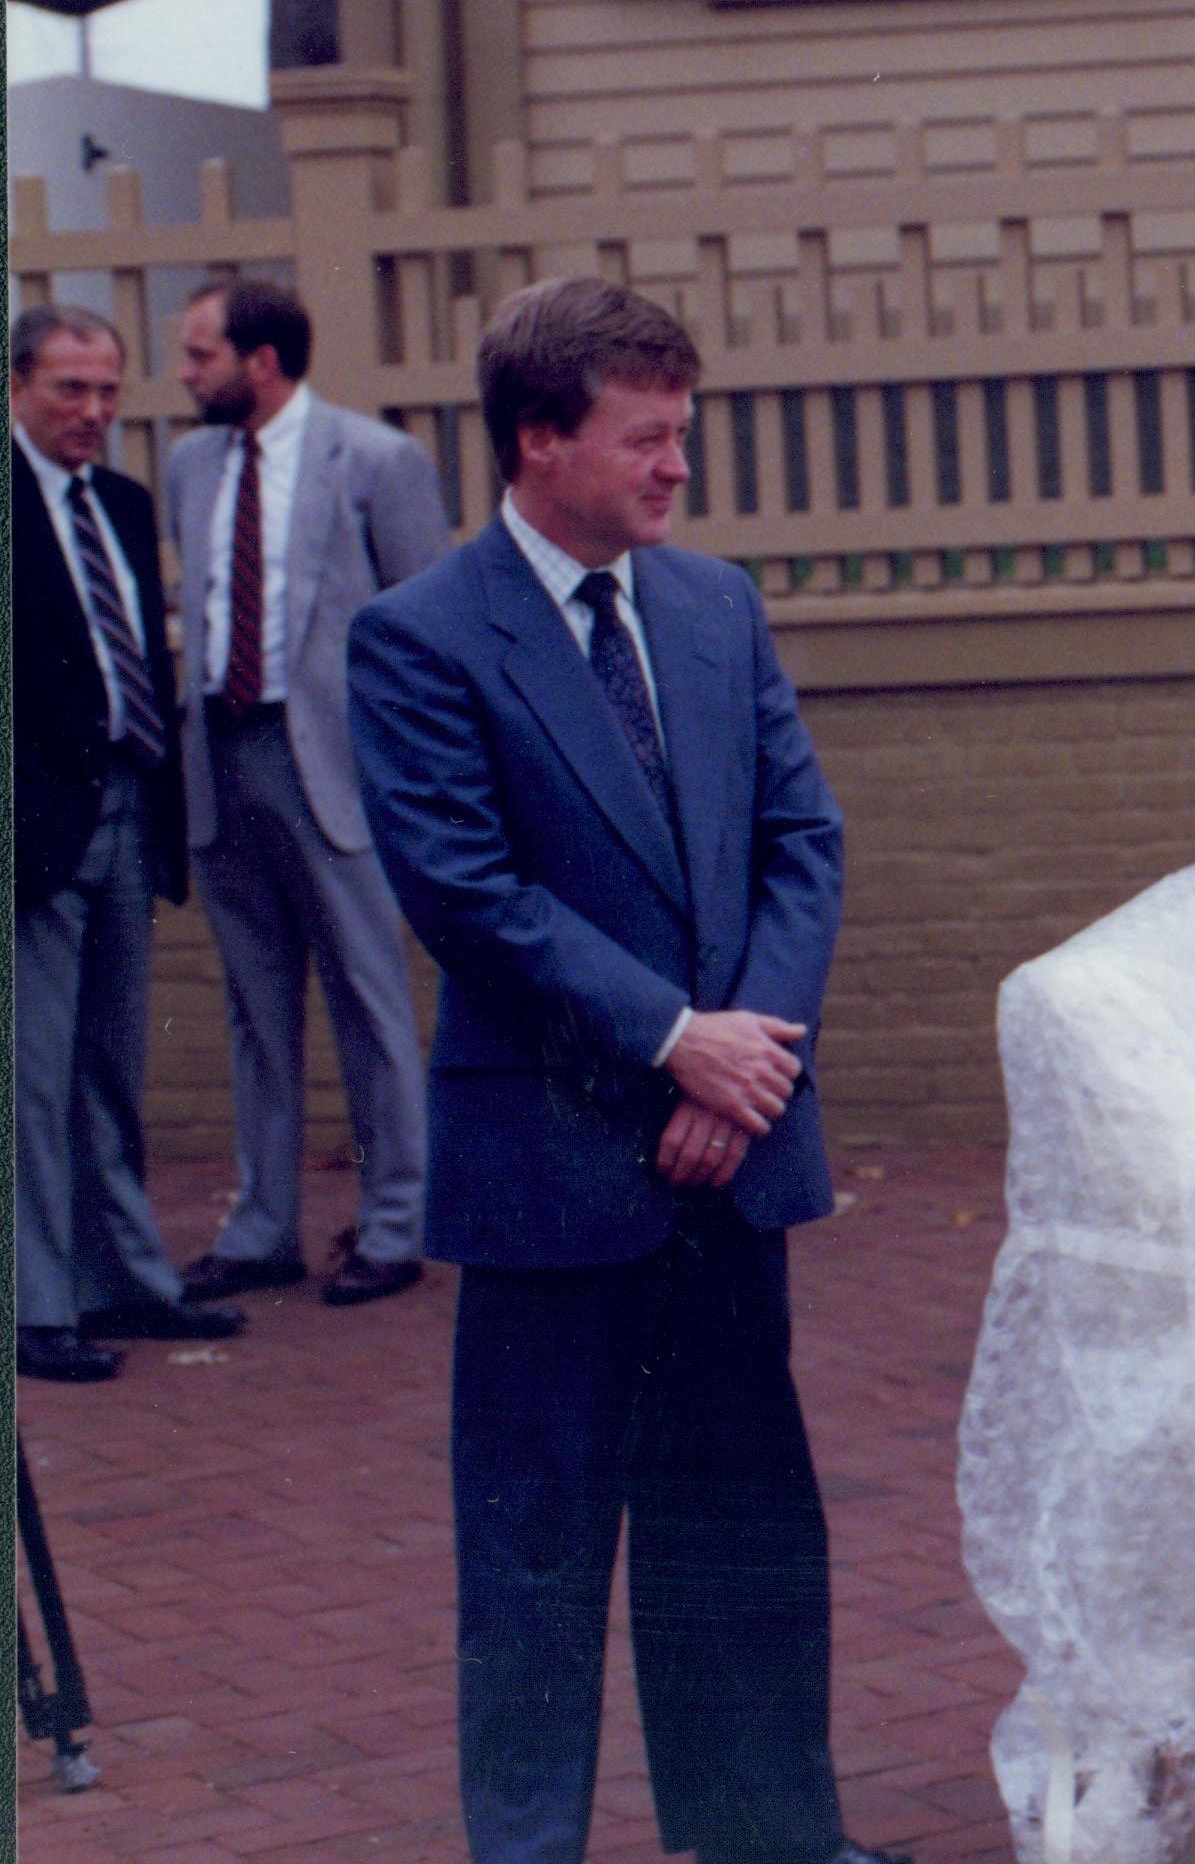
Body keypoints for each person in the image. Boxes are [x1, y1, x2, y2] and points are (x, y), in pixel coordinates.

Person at [348, 278, 905, 1864]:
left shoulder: (715, 607)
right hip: (555, 1169)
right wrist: (678, 1043)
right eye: (644, 439)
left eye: (684, 434)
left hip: (734, 1148)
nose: (676, 468)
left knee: (740, 1526)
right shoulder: (420, 640)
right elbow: (466, 893)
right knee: (534, 1547)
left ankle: (768, 1837)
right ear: (537, 441)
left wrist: (749, 1066)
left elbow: (802, 839)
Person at [167, 278, 454, 1311]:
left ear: (263, 361)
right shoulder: (190, 463)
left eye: (200, 356)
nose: (184, 375)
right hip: (222, 756)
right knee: (254, 1007)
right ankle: (261, 1230)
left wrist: (412, 780)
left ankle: (395, 1223)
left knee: (370, 1001)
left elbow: (427, 636)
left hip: (336, 768)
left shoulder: (377, 460)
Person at [12, 306, 248, 1383]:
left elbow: (140, 663)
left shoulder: (121, 500)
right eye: (70, 389)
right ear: (17, 386)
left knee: (109, 1064)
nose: (93, 413)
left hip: (122, 810)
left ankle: (125, 1283)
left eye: (108, 391)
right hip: (34, 829)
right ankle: (36, 1308)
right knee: (32, 1074)